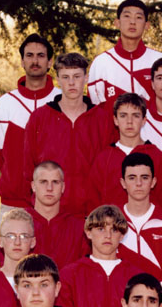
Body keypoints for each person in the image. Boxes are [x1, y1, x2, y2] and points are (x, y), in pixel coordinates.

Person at [23, 52, 109, 215]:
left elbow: (109, 170)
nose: (71, 83)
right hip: (50, 214)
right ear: (58, 79)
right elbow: (28, 170)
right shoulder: (39, 118)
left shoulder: (102, 119)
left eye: (77, 76)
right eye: (66, 77)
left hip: (91, 213)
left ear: (86, 78)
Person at [0, 34, 59, 217]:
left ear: (50, 62)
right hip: (14, 206)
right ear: (22, 61)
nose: (35, 61)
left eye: (41, 56)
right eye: (29, 55)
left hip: (57, 207)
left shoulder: (64, 101)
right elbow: (2, 158)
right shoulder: (4, 105)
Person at [86, 92, 162, 214]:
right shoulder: (104, 158)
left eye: (135, 115)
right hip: (112, 228)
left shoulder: (157, 157)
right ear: (115, 120)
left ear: (144, 120)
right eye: (123, 116)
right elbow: (93, 203)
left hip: (147, 227)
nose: (129, 121)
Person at [58, 205, 141, 307]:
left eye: (114, 230)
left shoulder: (136, 276)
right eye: (101, 229)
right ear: (89, 232)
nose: (108, 235)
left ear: (122, 235)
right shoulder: (69, 275)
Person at [117, 151, 162, 281]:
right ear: (123, 183)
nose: (139, 183)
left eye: (145, 177)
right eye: (132, 178)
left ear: (153, 182)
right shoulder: (112, 221)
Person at [87, 0, 162, 105]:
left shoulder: (160, 60)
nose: (132, 22)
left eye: (138, 17)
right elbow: (93, 110)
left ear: (147, 25)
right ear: (117, 23)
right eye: (127, 16)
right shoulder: (101, 62)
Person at [26, 161, 87, 271]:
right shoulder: (18, 223)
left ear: (63, 187)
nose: (49, 188)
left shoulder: (79, 227)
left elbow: (84, 272)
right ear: (33, 186)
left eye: (55, 182)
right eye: (43, 181)